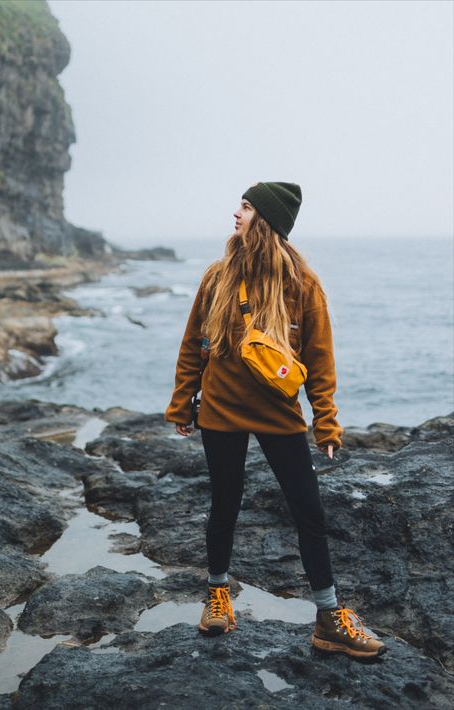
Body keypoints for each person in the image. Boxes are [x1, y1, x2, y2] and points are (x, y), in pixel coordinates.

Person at [164, 181, 387, 658]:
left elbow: (320, 359)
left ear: (265, 219)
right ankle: (218, 598)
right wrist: (183, 402)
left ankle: (328, 617)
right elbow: (192, 347)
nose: (235, 213)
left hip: (280, 415)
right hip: (221, 411)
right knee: (224, 506)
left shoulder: (302, 284)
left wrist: (326, 421)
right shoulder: (217, 277)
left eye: (245, 207)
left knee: (309, 512)